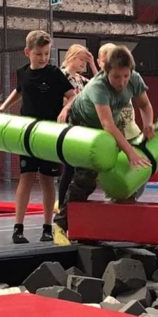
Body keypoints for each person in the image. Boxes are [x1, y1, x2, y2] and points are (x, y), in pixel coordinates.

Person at [53, 45, 156, 245]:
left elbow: (144, 105)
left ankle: (115, 221)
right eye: (116, 77)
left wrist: (148, 124)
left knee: (122, 167)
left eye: (125, 76)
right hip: (84, 123)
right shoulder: (98, 87)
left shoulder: (134, 79)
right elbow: (107, 124)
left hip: (111, 123)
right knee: (86, 177)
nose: (122, 82)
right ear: (106, 72)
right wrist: (130, 153)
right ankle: (60, 225)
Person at [0, 30, 75, 244]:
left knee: (47, 179)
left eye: (47, 53)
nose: (43, 58)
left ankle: (47, 227)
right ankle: (18, 228)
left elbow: (72, 95)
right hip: (27, 133)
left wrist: (65, 110)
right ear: (27, 52)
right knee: (26, 176)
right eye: (39, 54)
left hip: (48, 134)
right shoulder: (23, 73)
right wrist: (3, 106)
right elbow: (19, 90)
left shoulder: (55, 74)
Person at [56, 44, 97, 209]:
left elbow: (100, 83)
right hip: (67, 123)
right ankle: (62, 204)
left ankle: (71, 203)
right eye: (81, 59)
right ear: (72, 57)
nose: (83, 64)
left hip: (81, 125)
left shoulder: (81, 79)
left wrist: (93, 63)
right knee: (69, 167)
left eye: (85, 61)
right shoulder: (60, 75)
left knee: (76, 168)